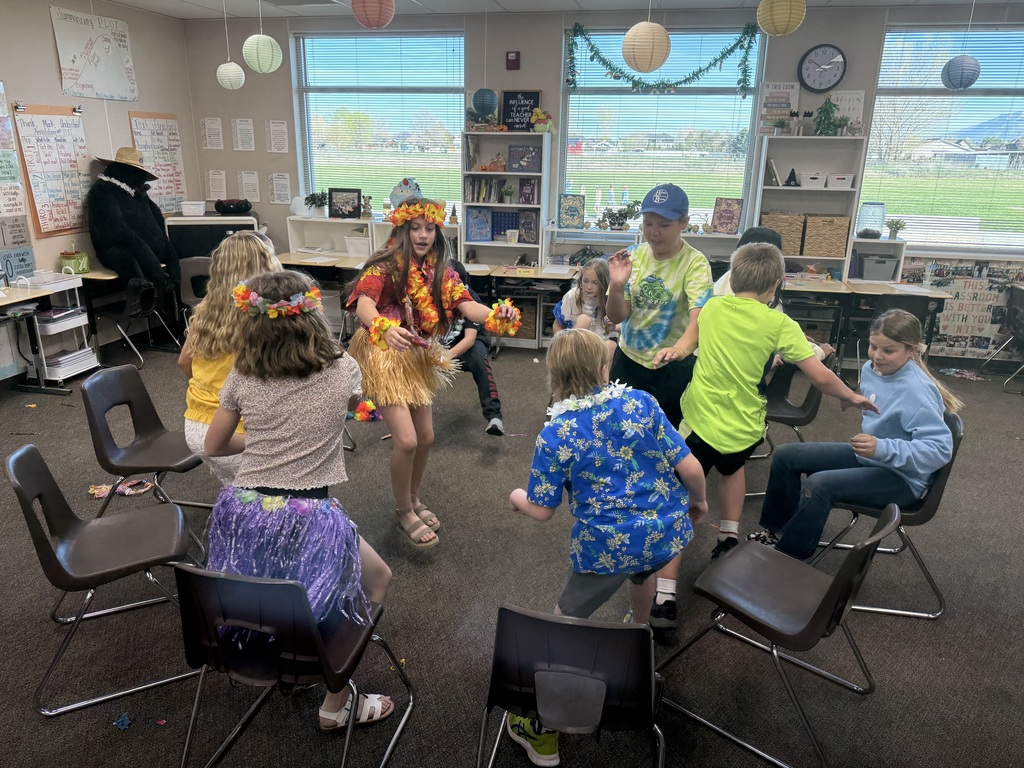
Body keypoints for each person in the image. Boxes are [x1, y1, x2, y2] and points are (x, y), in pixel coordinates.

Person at [507, 328, 708, 768]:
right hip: (662, 532)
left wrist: (516, 500)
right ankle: (640, 647)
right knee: (644, 574)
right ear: (605, 369)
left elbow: (542, 511)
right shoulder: (641, 402)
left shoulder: (556, 433)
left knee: (566, 619)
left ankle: (543, 732)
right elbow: (689, 465)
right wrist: (700, 503)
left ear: (554, 378)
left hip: (605, 548)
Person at [204, 270, 394, 732]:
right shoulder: (343, 369)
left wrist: (264, 443)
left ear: (251, 323)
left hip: (244, 511)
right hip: (309, 516)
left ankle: (270, 660)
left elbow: (213, 446)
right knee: (373, 581)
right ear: (314, 315)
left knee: (264, 593)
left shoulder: (242, 374)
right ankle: (334, 702)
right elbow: (359, 408)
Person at [654, 241, 878, 565]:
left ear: (731, 279)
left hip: (699, 421)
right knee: (732, 469)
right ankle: (728, 536)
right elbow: (820, 376)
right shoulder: (780, 324)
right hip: (744, 426)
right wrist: (851, 395)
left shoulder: (713, 307)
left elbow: (687, 344)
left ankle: (664, 590)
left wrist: (673, 352)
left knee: (677, 495)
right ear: (775, 286)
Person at [345, 191, 520, 549]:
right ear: (402, 230)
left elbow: (467, 305)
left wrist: (496, 316)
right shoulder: (387, 265)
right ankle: (403, 510)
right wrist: (382, 326)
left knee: (425, 437)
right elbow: (363, 303)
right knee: (406, 440)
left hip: (417, 354)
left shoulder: (442, 270)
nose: (423, 235)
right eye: (415, 228)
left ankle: (412, 498)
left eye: (429, 228)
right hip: (383, 351)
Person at [749, 308, 962, 561]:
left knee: (819, 485)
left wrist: (882, 448)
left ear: (912, 350)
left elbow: (939, 450)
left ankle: (790, 555)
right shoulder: (874, 368)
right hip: (873, 457)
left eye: (888, 351)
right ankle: (777, 530)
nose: (878, 356)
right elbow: (882, 398)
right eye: (873, 347)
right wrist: (854, 399)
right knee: (786, 456)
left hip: (902, 478)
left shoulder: (918, 391)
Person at [605, 182, 712, 629]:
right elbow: (616, 317)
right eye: (648, 222)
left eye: (664, 224)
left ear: (684, 224)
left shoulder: (695, 263)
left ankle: (659, 543)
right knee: (617, 442)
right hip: (630, 361)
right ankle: (619, 509)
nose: (653, 231)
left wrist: (682, 350)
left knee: (665, 456)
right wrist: (616, 285)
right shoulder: (636, 255)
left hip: (671, 368)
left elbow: (697, 319)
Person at [178, 231, 282, 484]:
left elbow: (184, 363)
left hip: (196, 426)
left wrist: (212, 392)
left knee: (240, 493)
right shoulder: (264, 315)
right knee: (269, 501)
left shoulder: (205, 310)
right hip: (236, 432)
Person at [714, 226, 834, 362]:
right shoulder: (761, 290)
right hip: (741, 362)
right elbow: (778, 339)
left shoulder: (725, 286)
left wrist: (796, 336)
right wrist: (818, 351)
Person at [86, 147, 180, 294]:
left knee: (171, 258)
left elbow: (157, 223)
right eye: (134, 172)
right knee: (122, 253)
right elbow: (119, 232)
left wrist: (174, 272)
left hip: (152, 253)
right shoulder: (103, 191)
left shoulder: (136, 193)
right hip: (122, 252)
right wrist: (154, 267)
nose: (140, 177)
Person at [444, 259, 505, 436]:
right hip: (441, 342)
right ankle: (406, 422)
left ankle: (494, 417)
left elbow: (469, 339)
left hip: (467, 342)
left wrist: (441, 359)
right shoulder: (430, 297)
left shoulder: (469, 298)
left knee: (479, 360)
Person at [551, 257, 619, 362]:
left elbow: (625, 328)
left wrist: (614, 325)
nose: (588, 287)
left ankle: (603, 378)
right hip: (577, 346)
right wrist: (560, 348)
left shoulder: (611, 298)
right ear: (581, 278)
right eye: (585, 281)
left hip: (601, 345)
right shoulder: (573, 296)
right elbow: (558, 325)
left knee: (611, 345)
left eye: (595, 283)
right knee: (584, 319)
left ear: (604, 283)